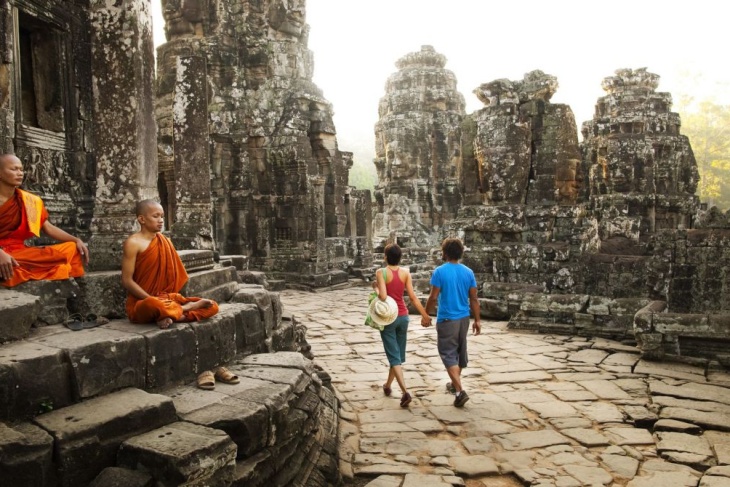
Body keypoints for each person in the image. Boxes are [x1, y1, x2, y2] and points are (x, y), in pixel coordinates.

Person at [121, 199, 219, 329]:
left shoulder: (165, 241)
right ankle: (183, 309)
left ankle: (169, 315)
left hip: (166, 299)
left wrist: (164, 301)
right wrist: (154, 299)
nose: (161, 220)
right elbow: (127, 281)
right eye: (155, 216)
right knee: (153, 304)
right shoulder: (133, 243)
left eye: (162, 216)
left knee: (213, 306)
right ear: (142, 219)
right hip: (142, 302)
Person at [0, 154, 89, 287]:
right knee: (10, 265)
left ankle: (16, 270)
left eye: (21, 169)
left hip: (20, 252)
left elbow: (47, 227)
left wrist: (76, 240)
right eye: (14, 169)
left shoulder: (29, 200)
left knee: (71, 248)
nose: (20, 173)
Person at [425, 237, 481, 407]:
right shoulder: (468, 272)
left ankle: (459, 391)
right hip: (463, 318)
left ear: (445, 252)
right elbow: (474, 298)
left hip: (447, 319)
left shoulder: (440, 272)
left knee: (448, 354)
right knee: (458, 352)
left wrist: (425, 314)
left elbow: (433, 297)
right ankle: (454, 383)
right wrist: (477, 320)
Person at [375, 243, 432, 408]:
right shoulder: (406, 273)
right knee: (397, 356)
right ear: (400, 257)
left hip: (389, 318)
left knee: (394, 357)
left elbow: (384, 296)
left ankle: (405, 391)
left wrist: (377, 289)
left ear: (385, 257)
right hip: (403, 317)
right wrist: (425, 315)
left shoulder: (381, 273)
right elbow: (413, 297)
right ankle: (387, 385)